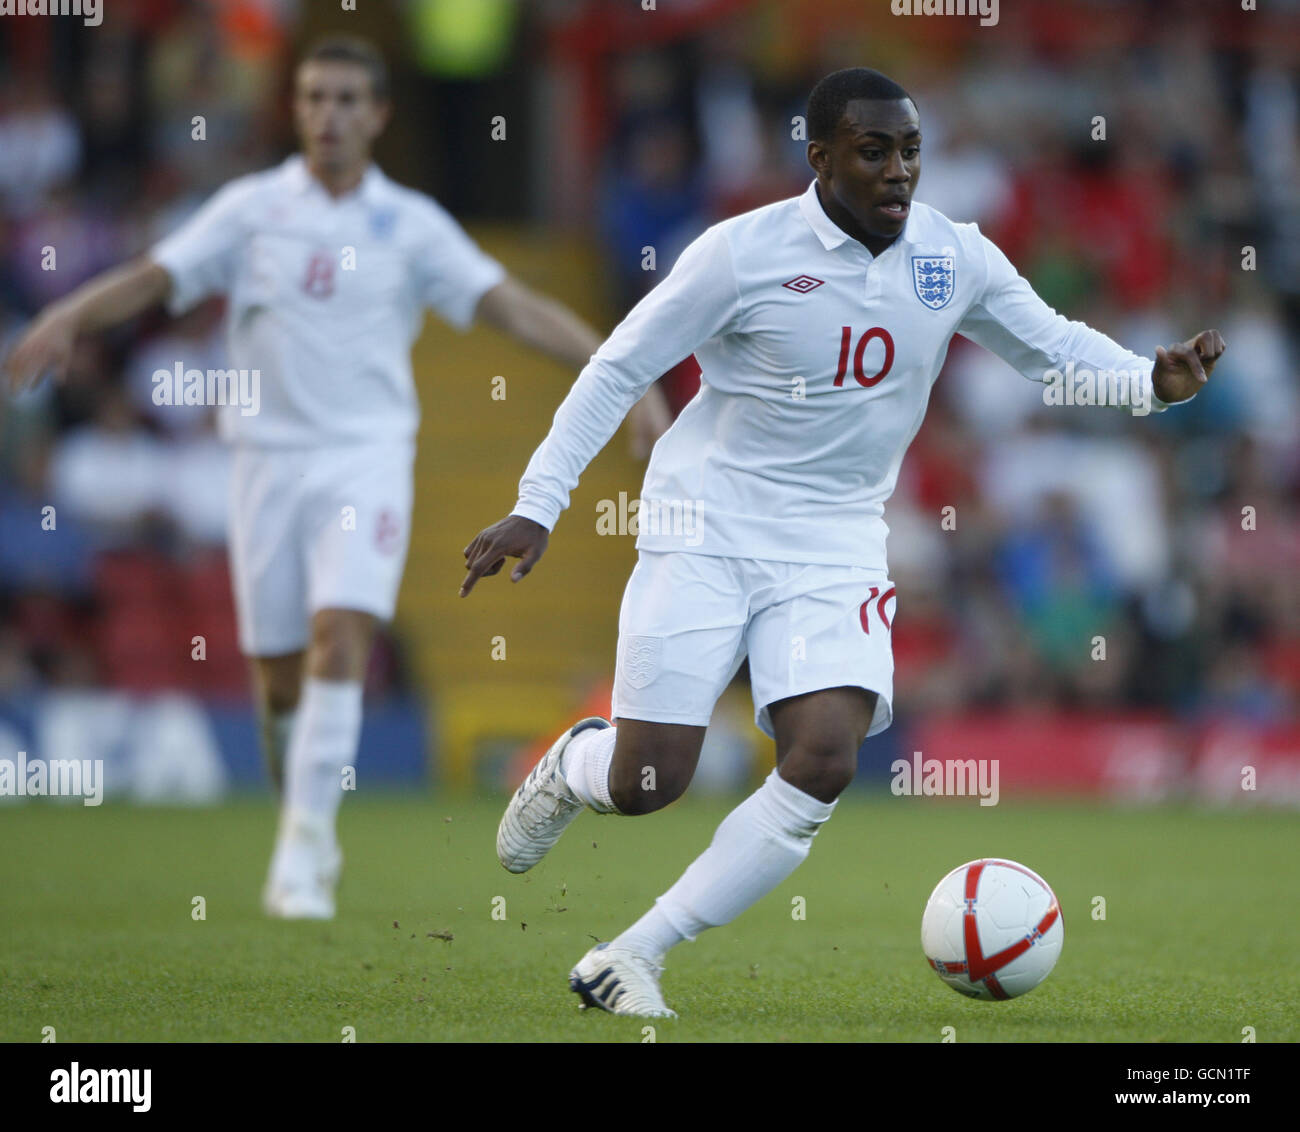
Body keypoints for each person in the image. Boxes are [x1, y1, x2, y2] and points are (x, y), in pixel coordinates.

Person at [459, 67, 1225, 1017]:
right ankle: (582, 761)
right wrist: (540, 502)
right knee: (650, 779)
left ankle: (637, 952)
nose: (898, 170)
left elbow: (1055, 349)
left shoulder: (955, 258)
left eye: (909, 150)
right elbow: (620, 365)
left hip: (835, 541)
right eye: (873, 151)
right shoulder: (742, 253)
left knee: (823, 757)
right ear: (819, 158)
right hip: (708, 526)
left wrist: (1150, 384)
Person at [4, 35, 669, 920]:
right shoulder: (250, 210)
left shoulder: (410, 223)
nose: (330, 116)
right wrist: (66, 315)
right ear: (297, 109)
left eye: (349, 100)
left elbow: (509, 304)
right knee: (280, 679)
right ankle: (301, 806)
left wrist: (614, 373)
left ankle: (306, 854)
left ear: (378, 115)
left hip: (368, 458)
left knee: (342, 636)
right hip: (264, 465)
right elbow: (153, 276)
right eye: (315, 98)